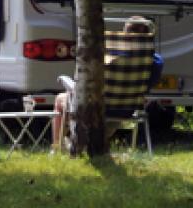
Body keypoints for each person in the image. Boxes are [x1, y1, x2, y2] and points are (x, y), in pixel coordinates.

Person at [52, 16, 162, 153]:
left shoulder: (106, 55)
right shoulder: (154, 61)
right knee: (108, 114)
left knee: (60, 98)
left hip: (95, 106)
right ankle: (92, 147)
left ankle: (57, 147)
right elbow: (149, 84)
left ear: (125, 34)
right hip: (126, 108)